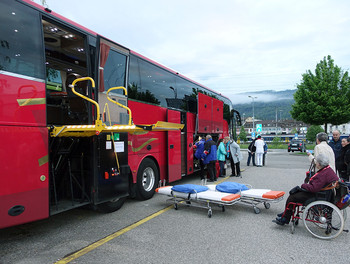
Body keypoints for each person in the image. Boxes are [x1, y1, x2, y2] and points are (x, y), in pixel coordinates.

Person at [273, 153, 339, 225]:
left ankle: (285, 218)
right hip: (323, 193)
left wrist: (304, 185)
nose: (315, 163)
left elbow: (314, 188)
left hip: (317, 195)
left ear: (319, 164)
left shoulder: (323, 174)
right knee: (296, 194)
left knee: (292, 197)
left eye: (316, 162)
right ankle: (287, 212)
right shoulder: (328, 169)